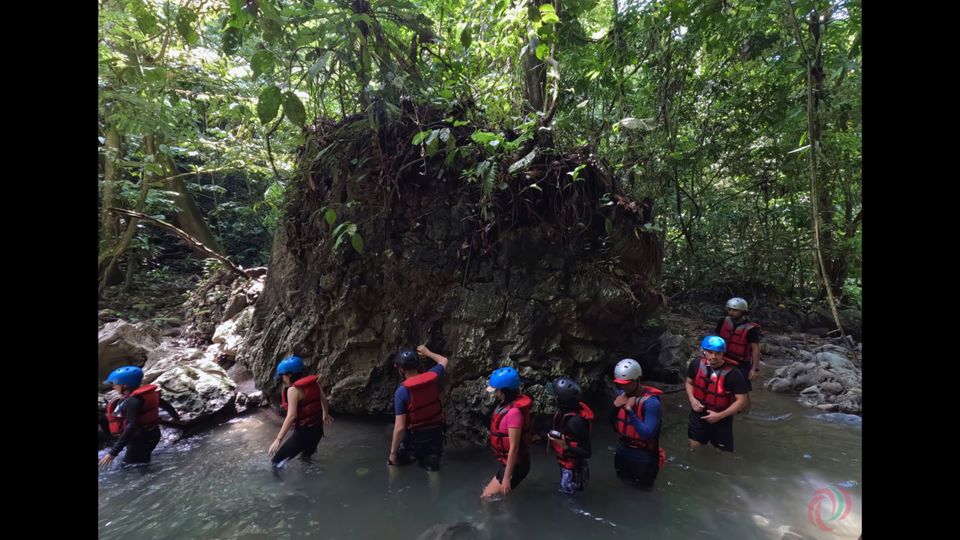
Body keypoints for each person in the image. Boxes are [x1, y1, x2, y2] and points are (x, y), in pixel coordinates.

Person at [99, 365, 180, 468]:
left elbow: (130, 427)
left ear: (125, 385)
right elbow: (167, 406)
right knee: (134, 464)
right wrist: (177, 420)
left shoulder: (133, 401)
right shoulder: (142, 396)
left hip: (141, 440)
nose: (113, 387)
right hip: (149, 435)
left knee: (131, 469)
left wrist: (112, 453)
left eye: (115, 384)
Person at [388, 344, 449, 471]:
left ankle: (392, 487)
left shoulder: (402, 392)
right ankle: (435, 490)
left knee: (393, 465)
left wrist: (392, 454)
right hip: (435, 435)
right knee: (433, 470)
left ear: (401, 370)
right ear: (418, 365)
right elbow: (444, 360)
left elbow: (399, 428)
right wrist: (427, 352)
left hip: (414, 440)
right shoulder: (434, 376)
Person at [685, 336, 749, 452]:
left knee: (721, 452)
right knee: (695, 447)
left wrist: (720, 415)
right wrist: (692, 399)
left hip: (722, 417)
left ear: (723, 353)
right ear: (703, 351)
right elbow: (689, 382)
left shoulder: (734, 374)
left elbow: (742, 400)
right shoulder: (696, 364)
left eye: (718, 353)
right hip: (698, 413)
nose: (713, 357)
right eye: (710, 352)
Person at [268, 355, 334, 466]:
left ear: (289, 375)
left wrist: (278, 439)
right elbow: (324, 399)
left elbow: (291, 416)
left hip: (303, 434)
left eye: (283, 376)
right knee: (306, 458)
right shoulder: (314, 383)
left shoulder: (293, 390)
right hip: (318, 431)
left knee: (276, 462)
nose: (282, 379)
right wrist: (325, 414)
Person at [610, 358, 664, 490]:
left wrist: (630, 411)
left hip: (644, 457)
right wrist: (614, 407)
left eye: (626, 383)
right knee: (623, 485)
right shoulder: (622, 395)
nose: (623, 387)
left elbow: (647, 434)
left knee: (642, 492)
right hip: (623, 451)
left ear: (637, 379)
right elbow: (613, 425)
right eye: (620, 384)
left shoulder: (651, 403)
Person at [481, 367, 533, 499]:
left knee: (486, 498)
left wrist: (506, 478)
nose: (495, 393)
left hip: (518, 465)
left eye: (497, 390)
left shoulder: (514, 413)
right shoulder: (504, 405)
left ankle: (492, 519)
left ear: (504, 391)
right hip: (511, 463)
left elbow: (514, 448)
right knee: (493, 494)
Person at [546, 377, 593, 494]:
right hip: (567, 465)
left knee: (569, 499)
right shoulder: (565, 411)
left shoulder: (575, 422)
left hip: (574, 469)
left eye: (555, 396)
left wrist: (566, 446)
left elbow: (587, 452)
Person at [716, 297, 762, 393]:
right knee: (720, 388)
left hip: (742, 364)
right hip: (723, 359)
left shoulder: (751, 328)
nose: (731, 312)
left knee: (742, 391)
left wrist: (755, 369)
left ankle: (742, 408)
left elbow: (755, 349)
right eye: (729, 309)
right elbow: (715, 339)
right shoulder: (723, 322)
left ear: (742, 311)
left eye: (735, 310)